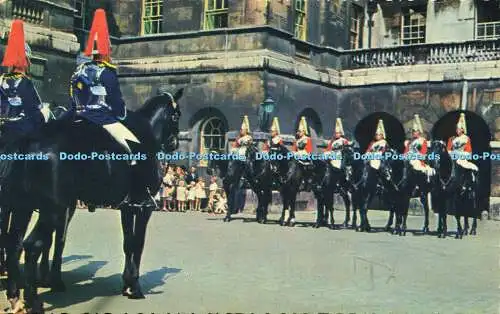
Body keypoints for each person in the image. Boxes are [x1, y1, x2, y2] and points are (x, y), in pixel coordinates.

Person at [70, 9, 158, 208]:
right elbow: (116, 102)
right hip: (102, 118)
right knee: (135, 147)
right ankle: (137, 193)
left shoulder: (79, 70)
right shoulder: (107, 71)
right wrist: (121, 115)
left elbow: (73, 96)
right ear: (105, 49)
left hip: (78, 115)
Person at [0, 20, 45, 179]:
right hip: (20, 129)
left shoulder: (1, 79)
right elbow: (34, 110)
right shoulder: (25, 82)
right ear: (25, 62)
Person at [445, 113, 479, 193]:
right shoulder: (452, 139)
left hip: (462, 159)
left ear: (463, 129)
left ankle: (467, 185)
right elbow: (448, 149)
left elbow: (468, 152)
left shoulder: (466, 139)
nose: (457, 130)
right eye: (457, 129)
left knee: (470, 168)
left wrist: (458, 154)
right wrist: (451, 154)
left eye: (459, 129)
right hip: (452, 158)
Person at [324, 118, 356, 192]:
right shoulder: (332, 141)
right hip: (332, 156)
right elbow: (328, 150)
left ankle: (349, 183)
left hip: (341, 157)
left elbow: (348, 148)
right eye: (335, 133)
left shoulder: (343, 140)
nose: (336, 134)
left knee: (344, 168)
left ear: (341, 133)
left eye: (338, 133)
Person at [403, 114, 434, 179]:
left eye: (416, 131)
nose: (414, 133)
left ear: (419, 132)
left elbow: (423, 153)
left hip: (418, 160)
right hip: (408, 160)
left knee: (417, 166)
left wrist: (415, 156)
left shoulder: (422, 141)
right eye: (413, 131)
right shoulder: (409, 142)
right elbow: (405, 152)